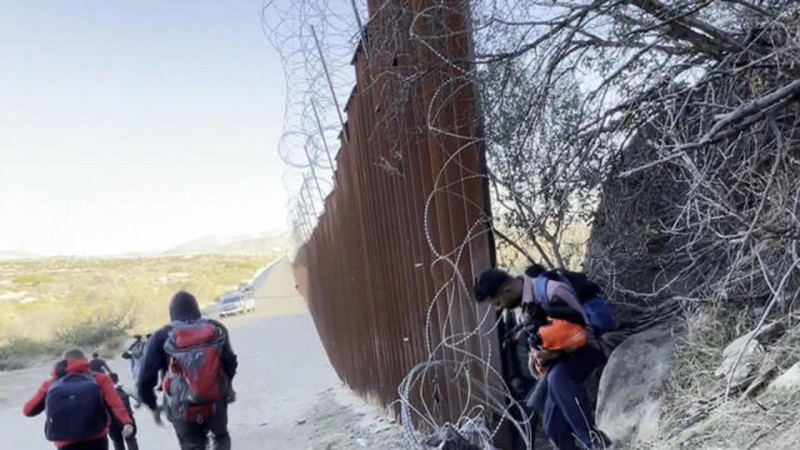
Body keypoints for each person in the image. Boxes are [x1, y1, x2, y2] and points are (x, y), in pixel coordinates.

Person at [475, 264, 613, 450]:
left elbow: (587, 332)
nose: (499, 309)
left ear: (507, 290)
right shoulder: (520, 310)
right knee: (553, 426)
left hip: (589, 348)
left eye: (497, 303)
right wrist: (536, 357)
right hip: (558, 361)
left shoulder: (552, 290)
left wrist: (557, 352)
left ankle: (595, 442)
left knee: (558, 378)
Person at [137, 290, 238, 450]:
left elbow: (144, 380)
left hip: (181, 406)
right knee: (221, 436)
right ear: (197, 309)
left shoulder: (161, 336)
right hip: (215, 400)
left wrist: (153, 406)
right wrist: (229, 388)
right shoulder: (215, 328)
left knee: (192, 445)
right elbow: (230, 362)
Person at [23, 348, 135, 450]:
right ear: (85, 361)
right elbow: (115, 404)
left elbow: (28, 410)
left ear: (62, 363)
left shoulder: (51, 384)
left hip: (65, 442)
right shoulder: (100, 379)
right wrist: (127, 422)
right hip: (96, 438)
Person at [108, 373, 139, 450]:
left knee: (117, 442)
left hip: (112, 421)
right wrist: (137, 404)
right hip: (127, 418)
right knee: (131, 440)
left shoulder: (104, 391)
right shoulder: (124, 388)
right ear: (117, 380)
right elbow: (138, 396)